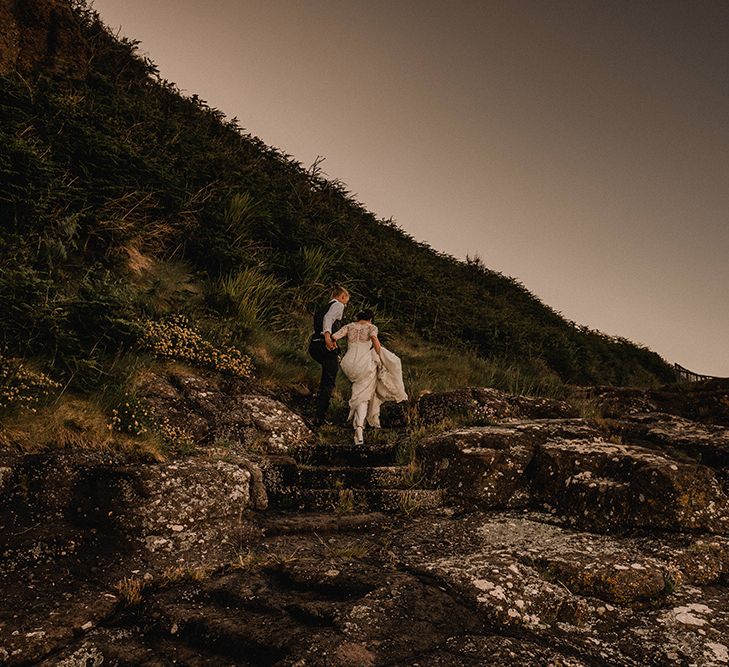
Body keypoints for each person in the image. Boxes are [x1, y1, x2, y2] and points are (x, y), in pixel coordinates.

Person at [332, 309, 408, 444]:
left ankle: (360, 426)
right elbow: (374, 340)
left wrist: (334, 348)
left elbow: (334, 337)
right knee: (363, 396)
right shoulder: (372, 327)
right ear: (370, 319)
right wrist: (382, 357)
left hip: (348, 364)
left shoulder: (349, 326)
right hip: (364, 364)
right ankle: (359, 430)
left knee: (359, 391)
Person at [309, 286, 350, 425]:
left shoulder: (324, 307)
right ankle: (319, 416)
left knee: (327, 376)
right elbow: (328, 318)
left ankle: (318, 410)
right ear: (343, 296)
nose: (346, 304)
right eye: (346, 301)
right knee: (329, 381)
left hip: (314, 345)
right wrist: (328, 337)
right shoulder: (338, 305)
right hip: (323, 344)